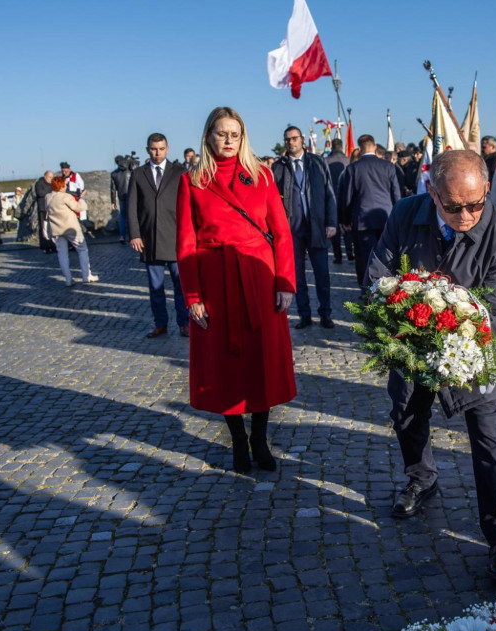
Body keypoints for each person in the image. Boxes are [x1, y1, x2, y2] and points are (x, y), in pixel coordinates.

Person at [366, 149, 496, 581]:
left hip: (475, 355)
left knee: (491, 442)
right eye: (454, 206)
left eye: (476, 203)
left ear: (487, 190)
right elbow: (377, 275)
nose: (467, 215)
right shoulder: (404, 213)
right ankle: (421, 478)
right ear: (432, 193)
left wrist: (452, 330)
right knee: (407, 414)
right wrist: (405, 321)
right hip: (412, 343)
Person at [176, 106, 296, 474]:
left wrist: (285, 282)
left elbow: (281, 231)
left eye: (235, 134)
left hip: (259, 279)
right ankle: (238, 441)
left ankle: (259, 438)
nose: (228, 140)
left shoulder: (260, 175)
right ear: (208, 135)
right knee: (225, 367)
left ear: (243, 137)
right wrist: (193, 296)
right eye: (221, 133)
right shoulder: (192, 181)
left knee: (263, 364)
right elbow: (185, 244)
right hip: (216, 282)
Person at [272, 126, 338, 329]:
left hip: (317, 226)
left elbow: (329, 194)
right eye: (287, 139)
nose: (291, 142)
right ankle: (304, 314)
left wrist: (331, 222)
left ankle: (325, 313)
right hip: (292, 230)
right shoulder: (279, 167)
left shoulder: (317, 163)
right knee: (297, 275)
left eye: (294, 138)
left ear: (302, 140)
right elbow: (273, 200)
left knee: (322, 274)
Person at [127, 133, 189, 339]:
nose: (157, 153)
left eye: (161, 149)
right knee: (155, 287)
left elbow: (188, 205)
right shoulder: (138, 174)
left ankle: (184, 322)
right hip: (150, 239)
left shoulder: (180, 172)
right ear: (147, 150)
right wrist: (135, 234)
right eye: (153, 149)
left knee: (181, 285)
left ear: (167, 149)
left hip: (175, 237)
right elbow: (132, 206)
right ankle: (160, 323)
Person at [338, 134, 402, 288]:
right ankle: (388, 287)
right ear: (374, 147)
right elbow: (396, 194)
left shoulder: (353, 168)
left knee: (364, 257)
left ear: (359, 149)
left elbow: (347, 198)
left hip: (362, 219)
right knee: (388, 255)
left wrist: (344, 220)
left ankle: (366, 289)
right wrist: (399, 216)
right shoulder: (388, 166)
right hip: (385, 217)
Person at [46, 175, 98, 286]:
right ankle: (86, 275)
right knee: (82, 249)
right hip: (70, 228)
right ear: (61, 186)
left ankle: (68, 279)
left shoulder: (48, 197)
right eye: (64, 185)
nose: (66, 187)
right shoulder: (65, 197)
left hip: (56, 229)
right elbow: (79, 207)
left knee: (62, 254)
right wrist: (82, 197)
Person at [325, 138, 354, 263]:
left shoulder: (325, 161)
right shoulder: (348, 161)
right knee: (347, 225)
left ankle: (338, 256)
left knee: (334, 227)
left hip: (330, 198)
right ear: (342, 147)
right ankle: (349, 251)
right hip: (346, 197)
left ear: (332, 147)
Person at [110, 156, 133, 245]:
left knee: (122, 217)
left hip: (121, 197)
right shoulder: (130, 170)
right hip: (132, 195)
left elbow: (113, 189)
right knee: (133, 216)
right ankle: (133, 235)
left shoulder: (114, 174)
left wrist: (113, 202)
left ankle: (122, 236)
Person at [35, 171, 56, 253]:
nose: (51, 179)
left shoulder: (52, 184)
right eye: (50, 177)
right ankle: (45, 245)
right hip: (43, 208)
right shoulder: (39, 183)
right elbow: (40, 193)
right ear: (45, 176)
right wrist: (51, 193)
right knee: (43, 227)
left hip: (51, 208)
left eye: (52, 177)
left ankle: (53, 245)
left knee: (52, 227)